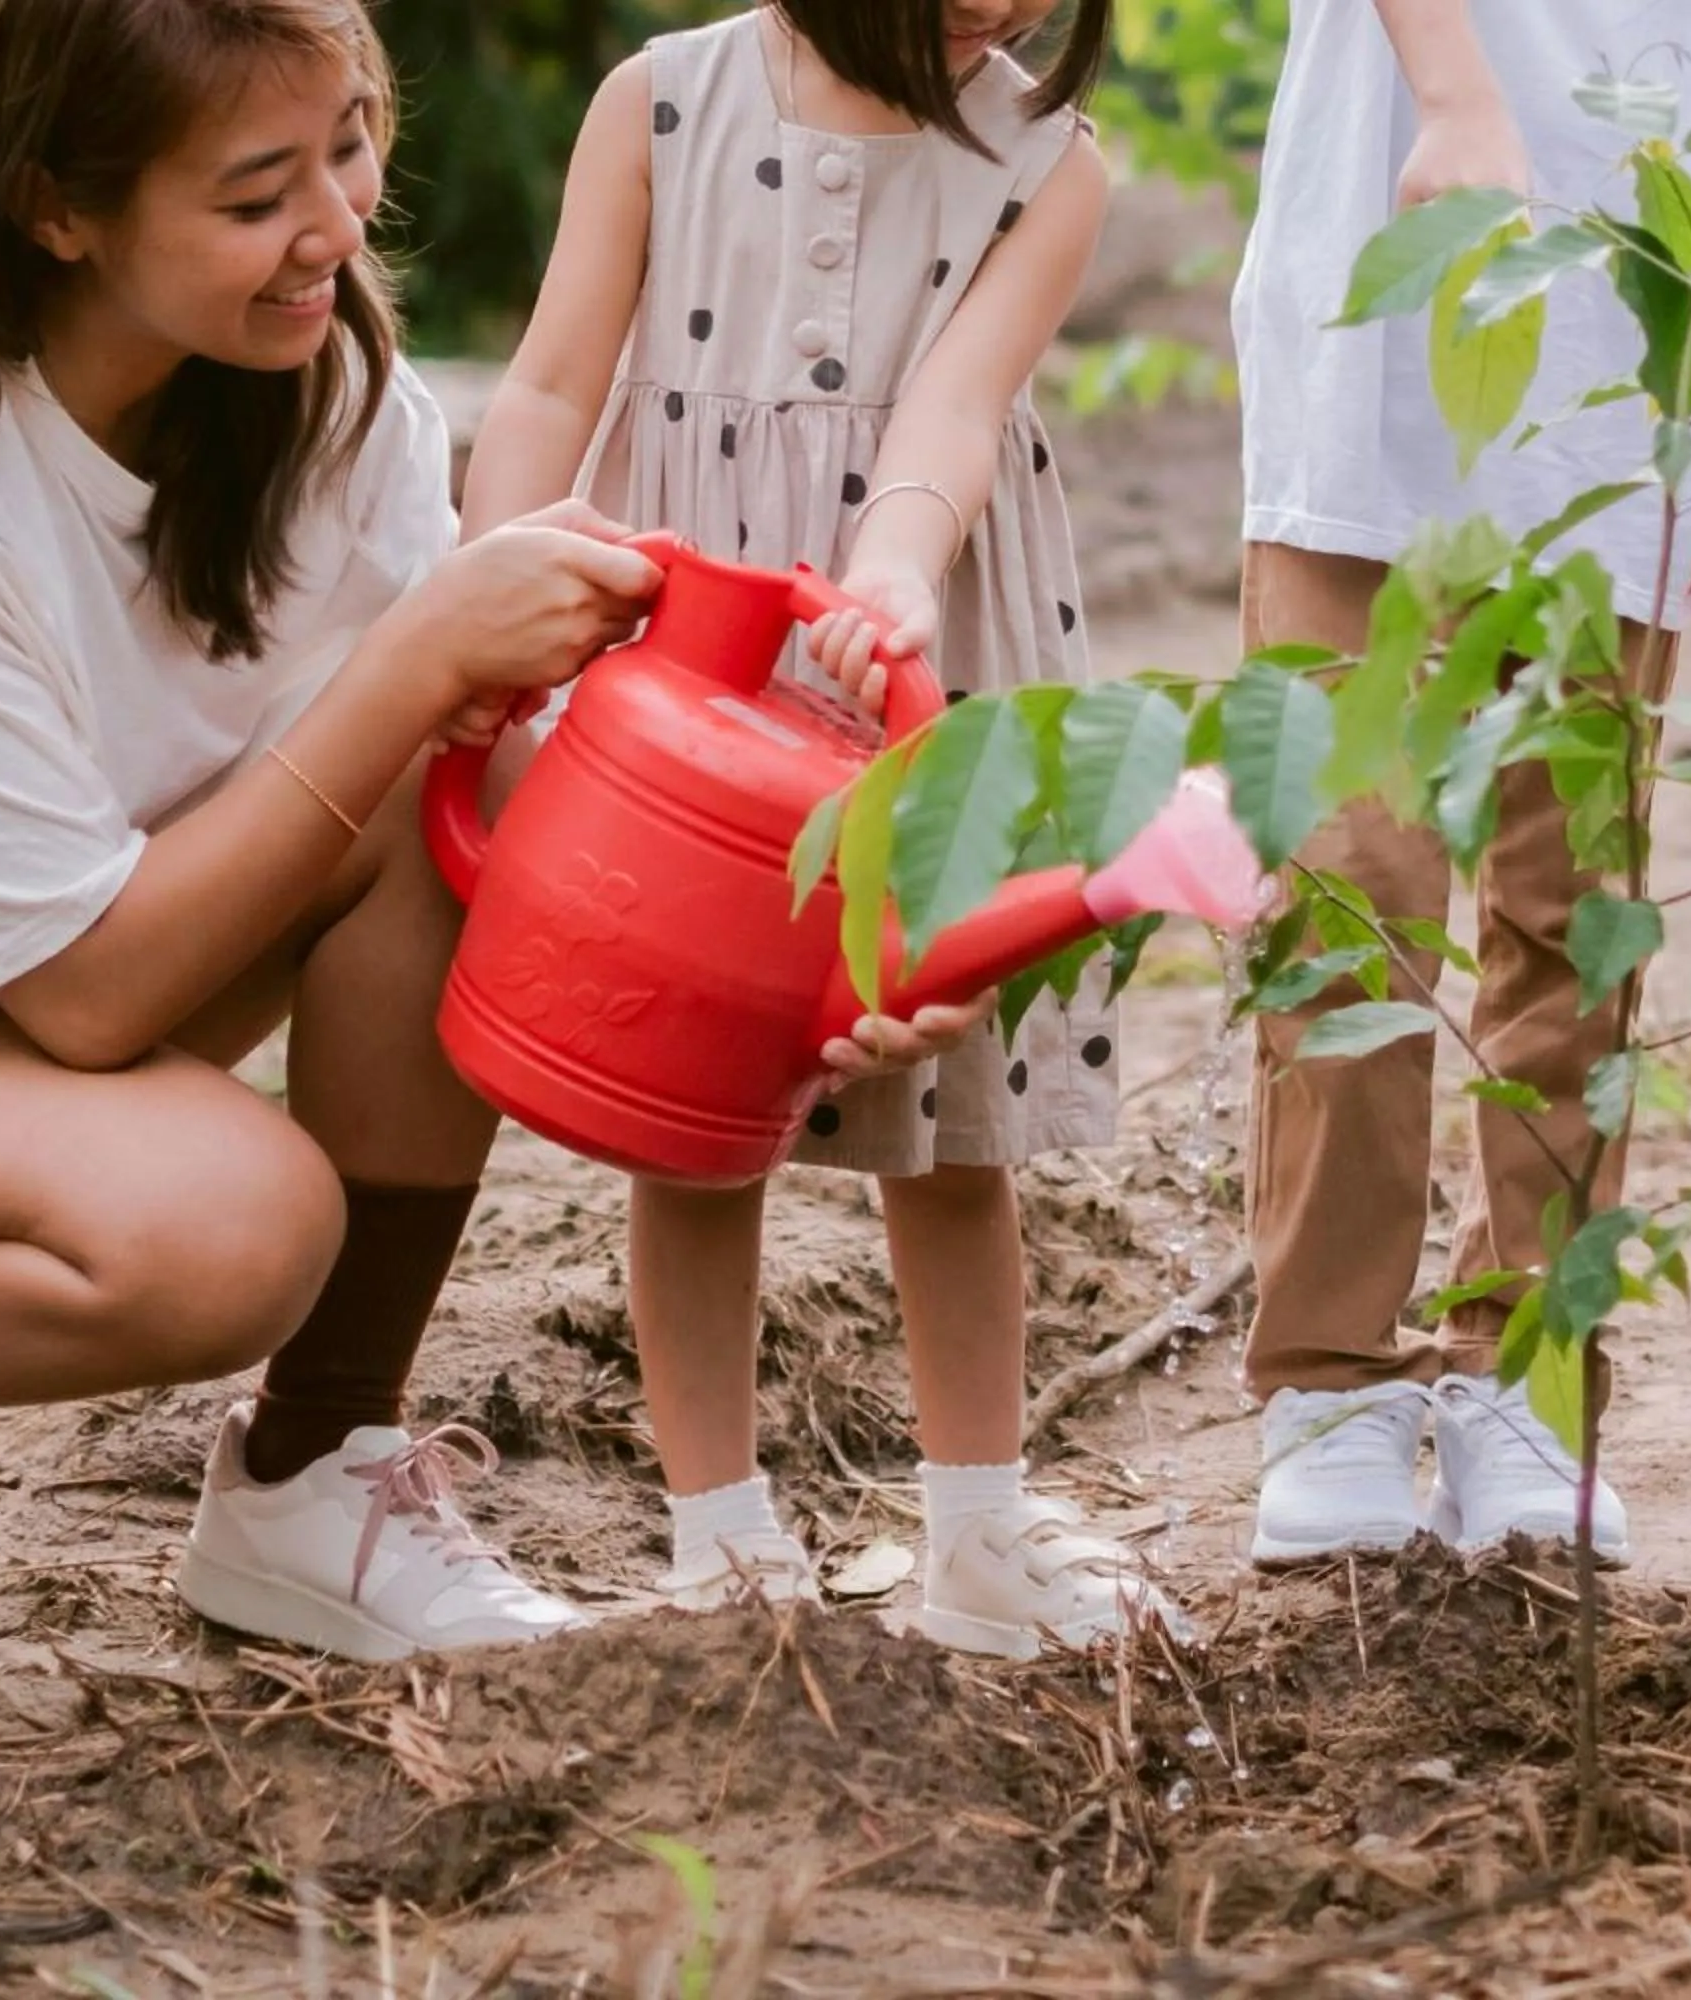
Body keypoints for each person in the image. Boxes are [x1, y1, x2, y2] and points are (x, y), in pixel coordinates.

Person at [460, 0, 1177, 1657]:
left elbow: (955, 411)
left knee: (952, 1127)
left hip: (912, 657)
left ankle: (979, 1535)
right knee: (696, 1102)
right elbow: (556, 378)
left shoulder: (1048, 161)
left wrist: (897, 571)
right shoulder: (660, 104)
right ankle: (720, 1544)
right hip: (692, 658)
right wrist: (485, 595)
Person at [0, 0, 674, 1659]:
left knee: (474, 779)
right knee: (224, 1234)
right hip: (59, 996)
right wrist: (418, 652)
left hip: (49, 999)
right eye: (253, 196)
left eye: (350, 146)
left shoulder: (339, 402)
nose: (334, 227)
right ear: (58, 208)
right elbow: (85, 1002)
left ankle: (319, 1473)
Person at [1230, 0, 1691, 1569]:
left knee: (1569, 897)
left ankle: (1527, 1370)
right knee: (1349, 883)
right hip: (1370, 372)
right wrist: (1459, 99)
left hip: (1621, 396)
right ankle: (1326, 1382)